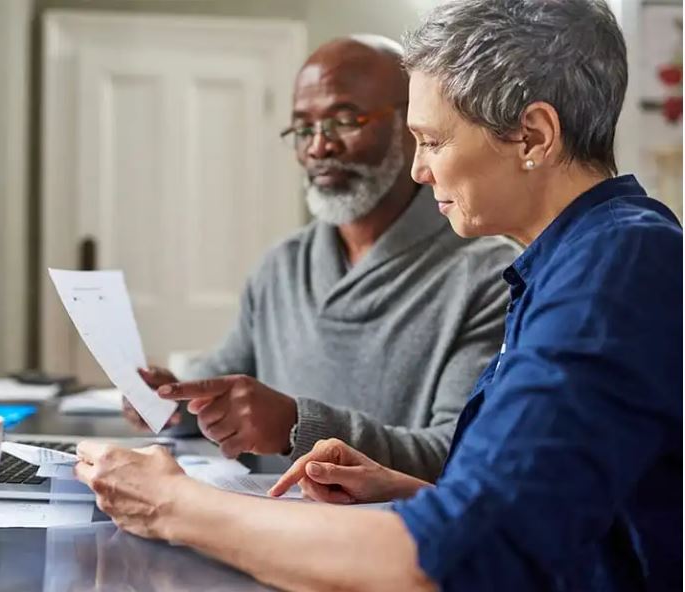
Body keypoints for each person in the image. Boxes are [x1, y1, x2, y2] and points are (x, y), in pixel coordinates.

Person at [76, 0, 683, 590]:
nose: (419, 170)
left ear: (532, 136)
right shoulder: (569, 263)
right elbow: (540, 519)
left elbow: (448, 558)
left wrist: (175, 505)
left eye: (433, 141)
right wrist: (403, 489)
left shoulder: (617, 265)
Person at [128, 34, 519, 481]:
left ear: (412, 128)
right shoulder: (281, 266)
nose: (318, 147)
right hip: (256, 525)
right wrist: (173, 400)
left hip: (383, 541)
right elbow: (223, 389)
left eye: (344, 119)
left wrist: (297, 427)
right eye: (303, 127)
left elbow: (458, 451)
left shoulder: (488, 275)